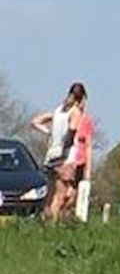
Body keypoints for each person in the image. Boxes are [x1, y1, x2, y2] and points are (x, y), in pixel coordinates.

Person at [30, 82, 87, 222]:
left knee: (50, 192)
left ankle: (44, 218)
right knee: (60, 194)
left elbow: (35, 121)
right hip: (65, 156)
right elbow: (72, 130)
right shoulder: (75, 112)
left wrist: (50, 132)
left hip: (51, 154)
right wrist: (65, 144)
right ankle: (53, 224)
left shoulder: (58, 111)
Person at [63, 96, 96, 220]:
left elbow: (88, 145)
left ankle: (66, 217)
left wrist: (88, 169)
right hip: (64, 160)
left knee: (72, 194)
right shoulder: (64, 117)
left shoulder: (86, 120)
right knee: (62, 193)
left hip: (79, 161)